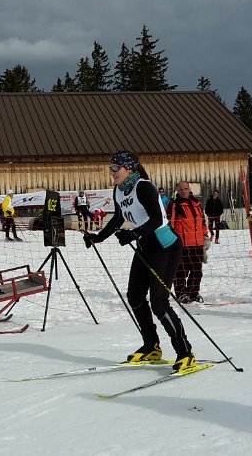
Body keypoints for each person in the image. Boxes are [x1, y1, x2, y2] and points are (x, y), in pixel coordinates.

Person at [83, 150, 195, 372]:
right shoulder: (119, 190)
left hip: (165, 248)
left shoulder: (144, 187)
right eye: (110, 167)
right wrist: (98, 238)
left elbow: (157, 218)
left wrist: (133, 234)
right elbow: (118, 217)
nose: (111, 172)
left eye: (116, 168)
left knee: (159, 304)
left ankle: (185, 352)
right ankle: (151, 345)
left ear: (129, 169)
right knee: (134, 296)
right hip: (145, 247)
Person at [168, 181, 210, 304]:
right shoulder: (175, 205)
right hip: (182, 244)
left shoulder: (197, 204)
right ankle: (182, 293)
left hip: (197, 243)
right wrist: (172, 242)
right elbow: (170, 225)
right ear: (177, 190)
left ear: (189, 189)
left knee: (197, 271)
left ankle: (193, 293)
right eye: (181, 189)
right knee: (181, 272)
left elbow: (202, 222)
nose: (184, 191)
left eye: (186, 188)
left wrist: (205, 236)